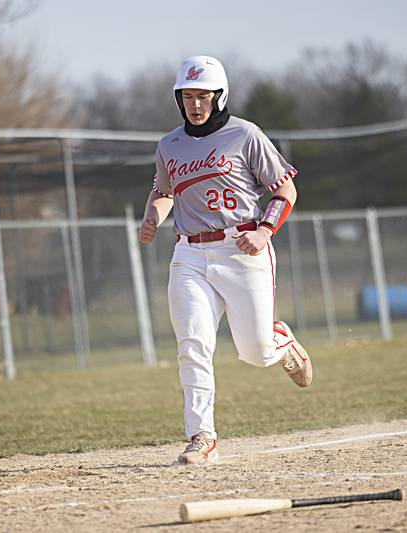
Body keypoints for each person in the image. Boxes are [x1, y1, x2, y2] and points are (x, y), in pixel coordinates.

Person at [139, 56, 313, 465]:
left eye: (203, 96)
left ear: (220, 96)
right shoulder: (169, 145)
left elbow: (285, 192)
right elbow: (164, 192)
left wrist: (264, 231)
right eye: (187, 96)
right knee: (193, 343)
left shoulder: (245, 134)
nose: (195, 104)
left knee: (255, 351)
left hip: (241, 250)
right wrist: (152, 216)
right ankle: (202, 436)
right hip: (189, 254)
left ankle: (282, 342)